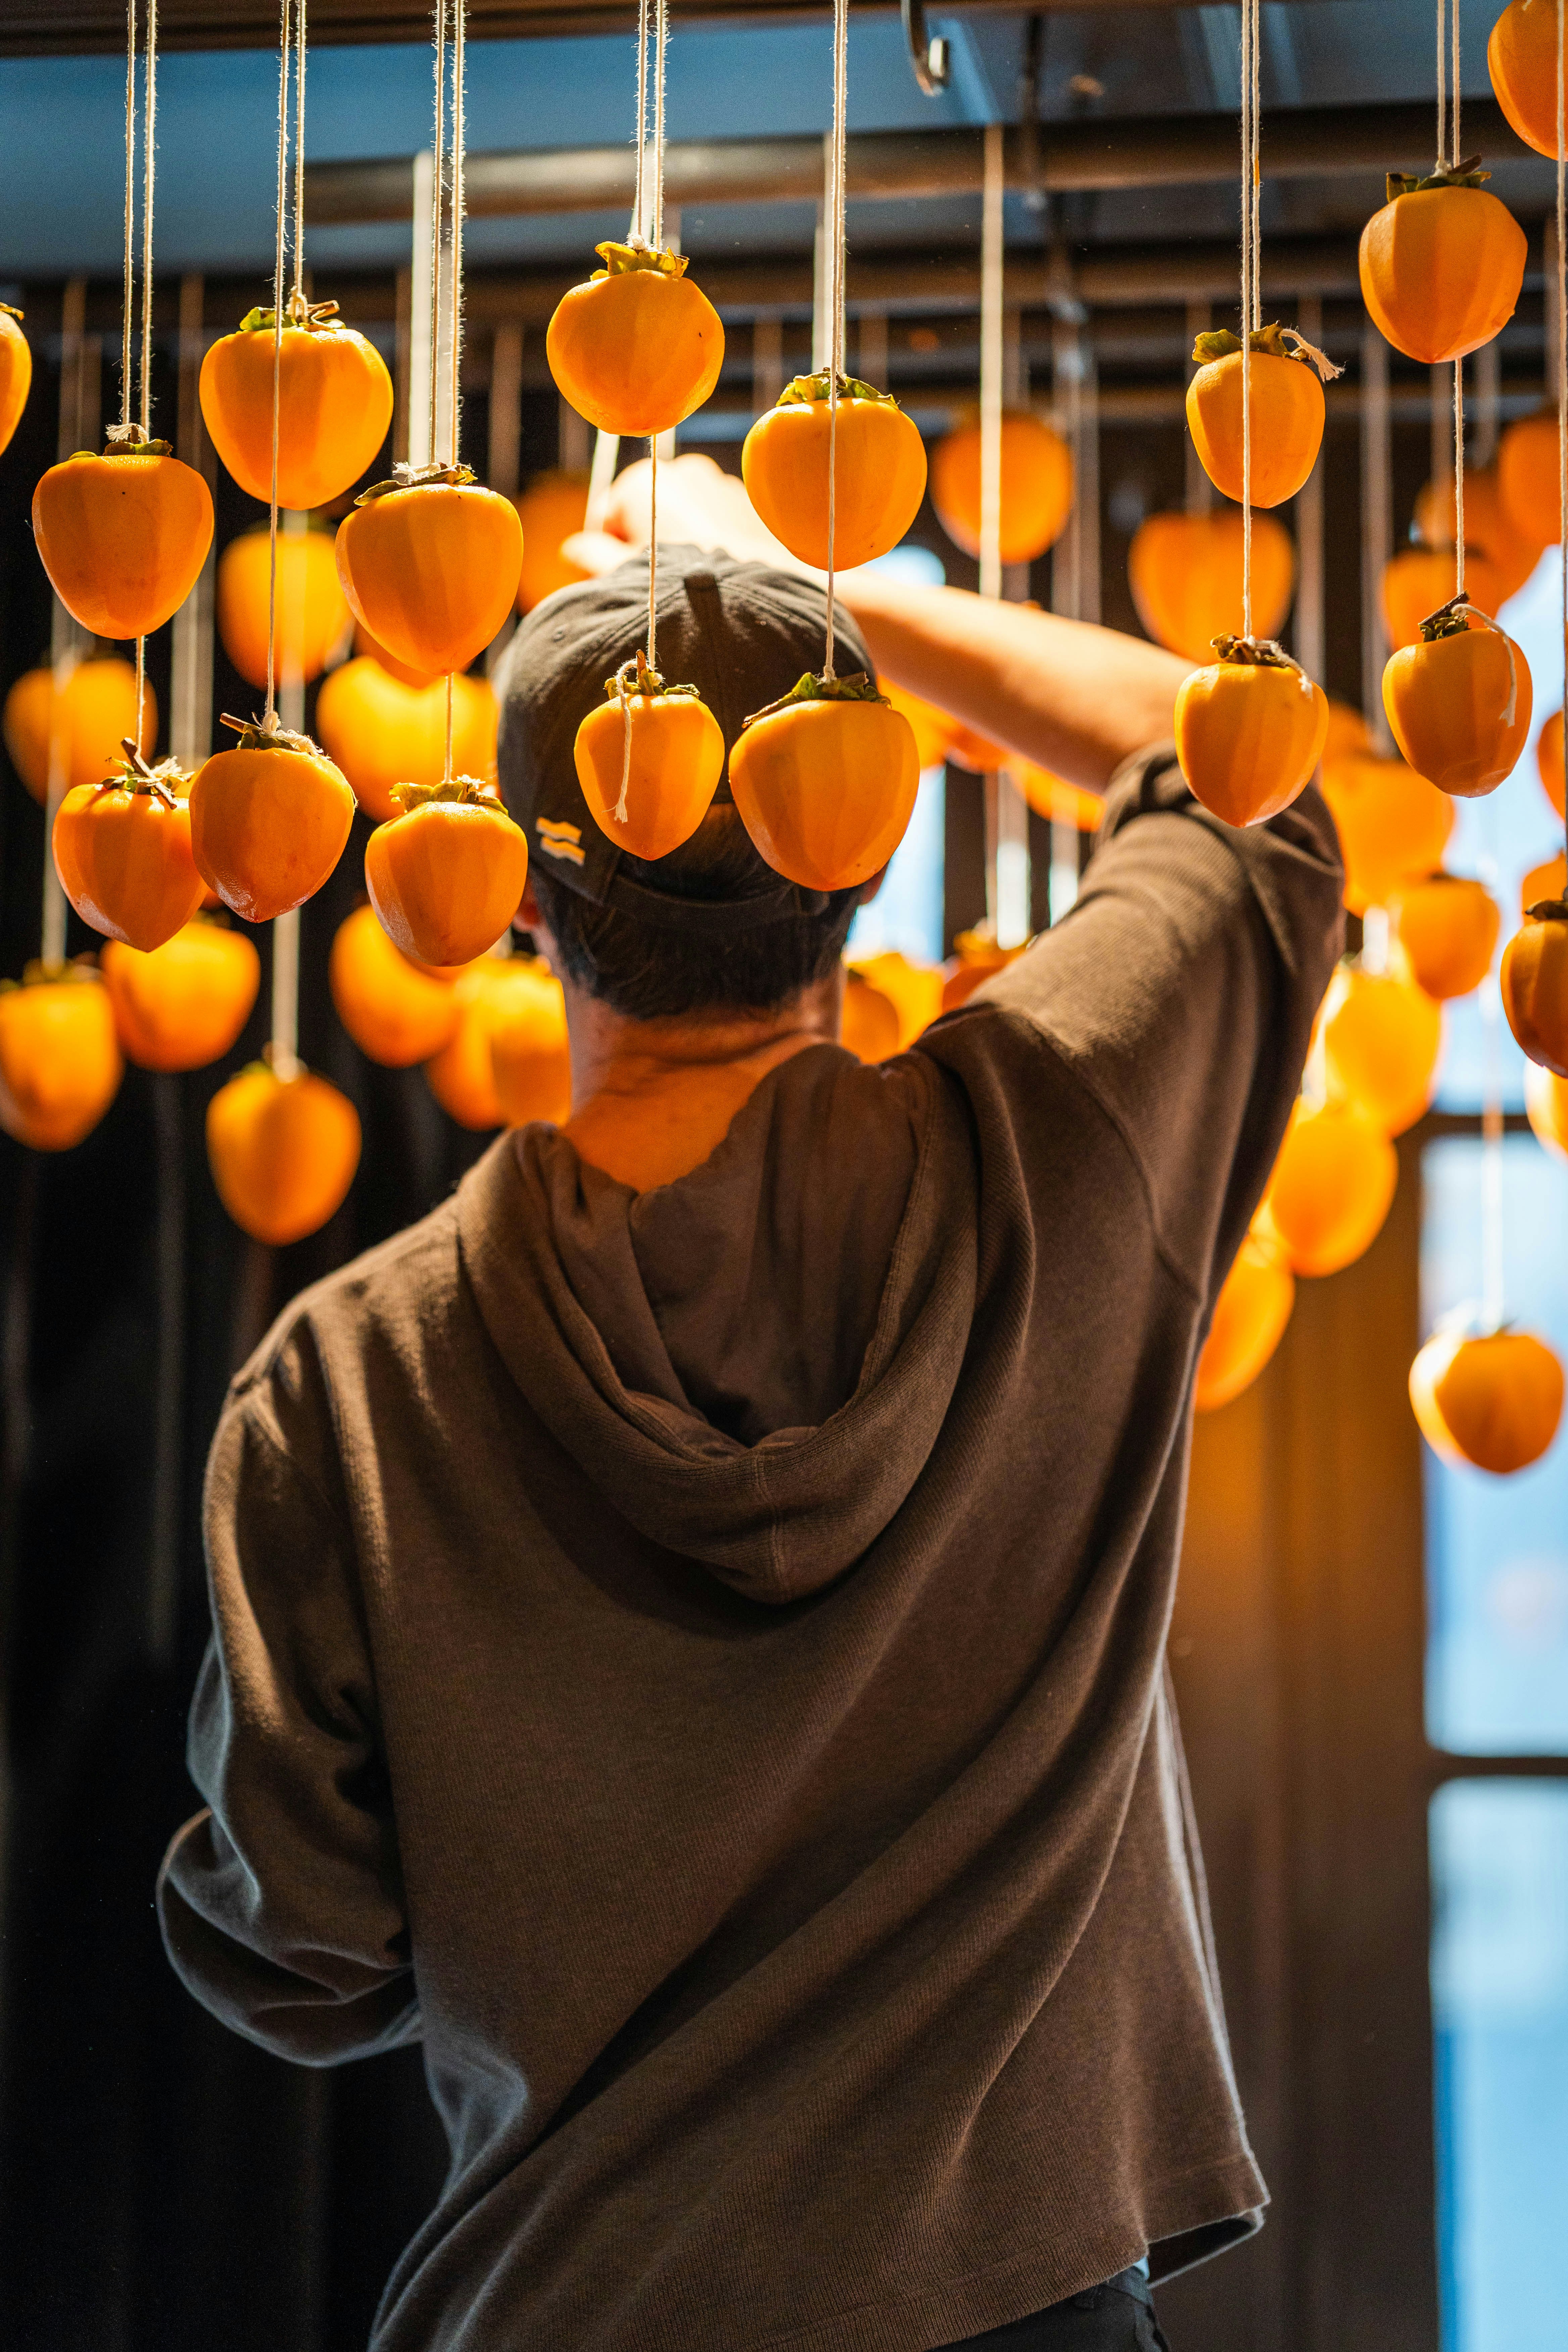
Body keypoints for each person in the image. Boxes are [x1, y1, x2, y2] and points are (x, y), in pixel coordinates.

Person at [157, 457, 1343, 2352]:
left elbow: (296, 1944)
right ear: (863, 855)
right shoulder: (1064, 1146)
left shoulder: (346, 1380)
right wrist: (827, 589)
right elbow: (1250, 780)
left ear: (531, 890)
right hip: (1015, 2310)